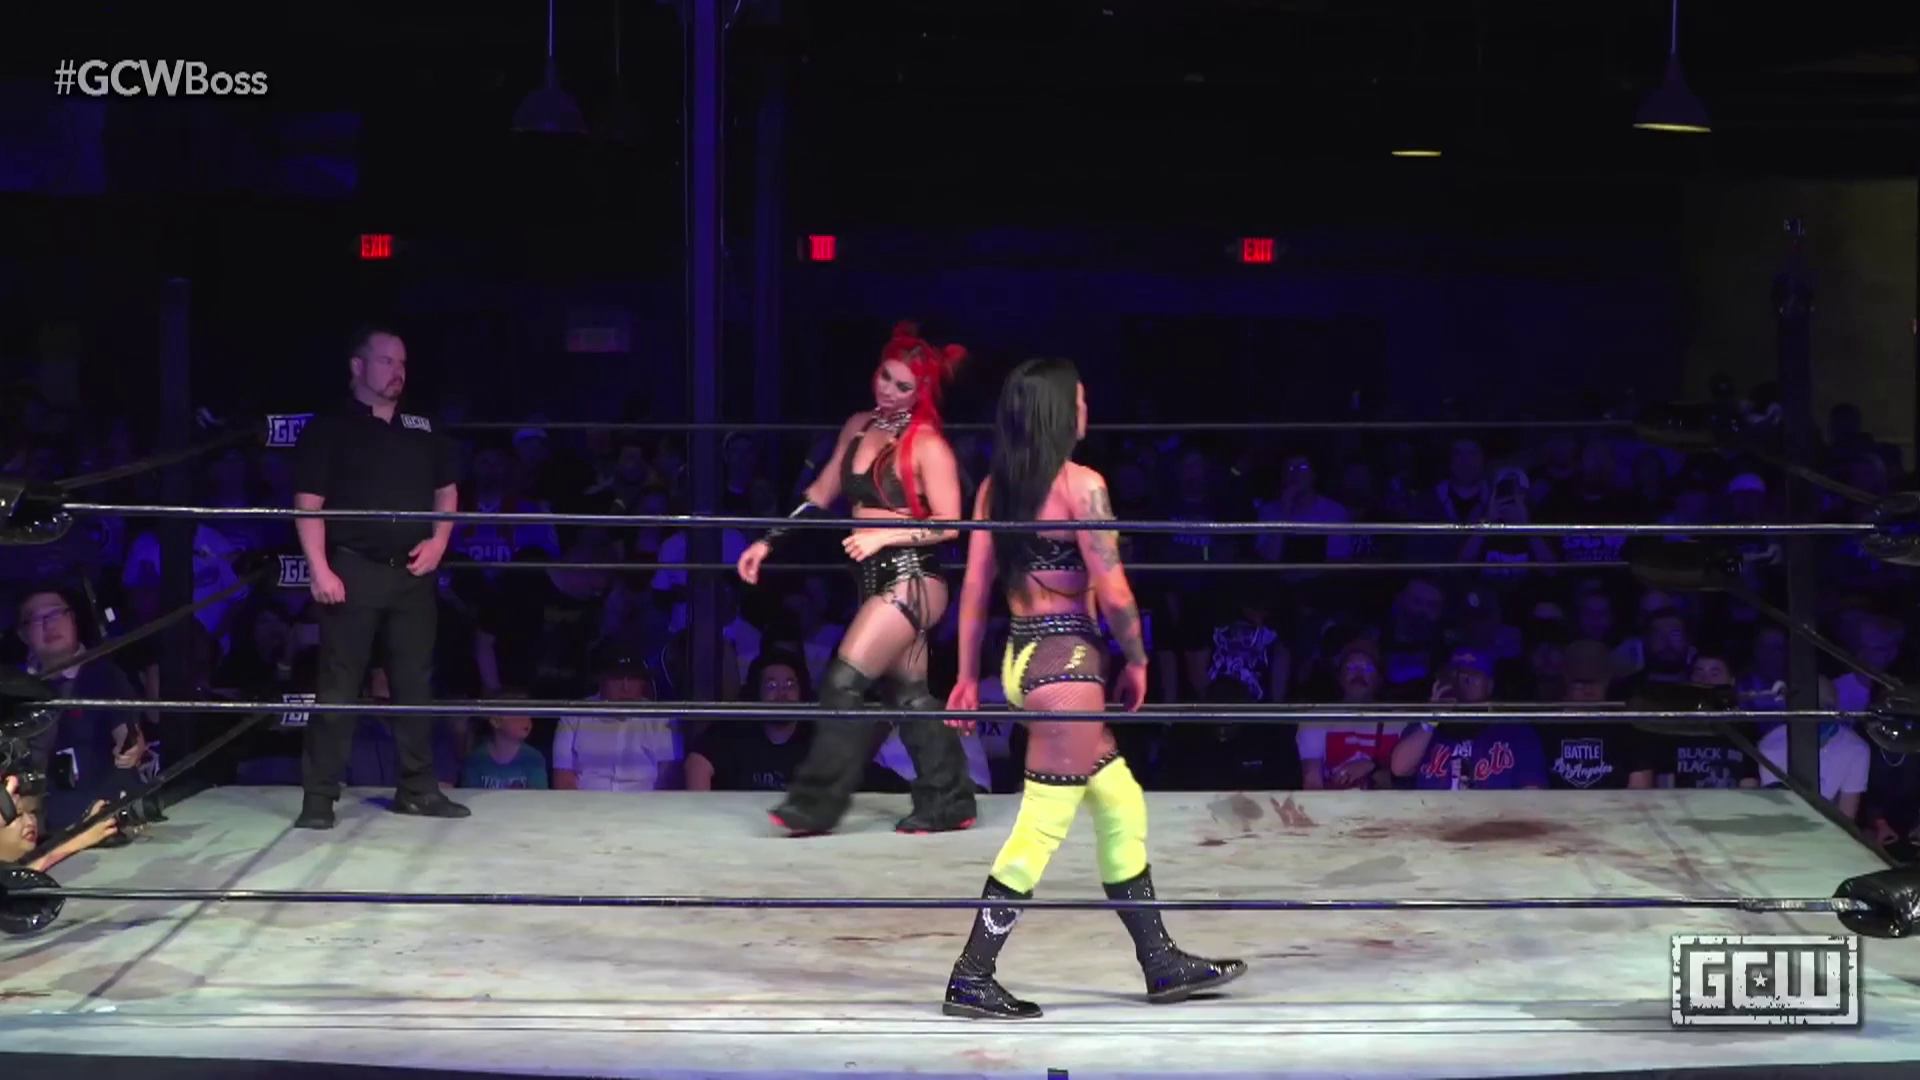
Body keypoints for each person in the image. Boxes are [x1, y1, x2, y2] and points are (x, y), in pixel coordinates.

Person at [942, 356, 1245, 1020]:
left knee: (1119, 802)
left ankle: (1160, 961)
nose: (1086, 410)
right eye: (1077, 400)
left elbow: (974, 588)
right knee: (1041, 825)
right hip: (1066, 670)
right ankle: (971, 974)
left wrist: (966, 675)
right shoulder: (1082, 486)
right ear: (1057, 411)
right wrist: (1137, 659)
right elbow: (1113, 588)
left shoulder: (996, 489)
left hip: (1024, 659)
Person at [736, 321, 977, 836]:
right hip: (872, 576)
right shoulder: (859, 427)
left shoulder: (927, 444)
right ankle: (950, 798)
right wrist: (768, 541)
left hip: (913, 577)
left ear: (920, 392)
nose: (888, 391)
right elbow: (820, 493)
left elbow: (951, 524)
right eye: (884, 377)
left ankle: (816, 803)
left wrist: (885, 537)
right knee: (908, 694)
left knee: (844, 679)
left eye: (902, 386)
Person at [289, 325, 470, 829]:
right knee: (339, 685)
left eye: (403, 363)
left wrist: (438, 543)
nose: (398, 372)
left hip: (412, 572)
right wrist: (319, 568)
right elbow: (308, 504)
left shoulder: (422, 425)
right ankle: (318, 798)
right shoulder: (329, 429)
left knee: (414, 682)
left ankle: (417, 789)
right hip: (352, 569)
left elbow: (447, 491)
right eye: (388, 361)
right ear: (358, 366)